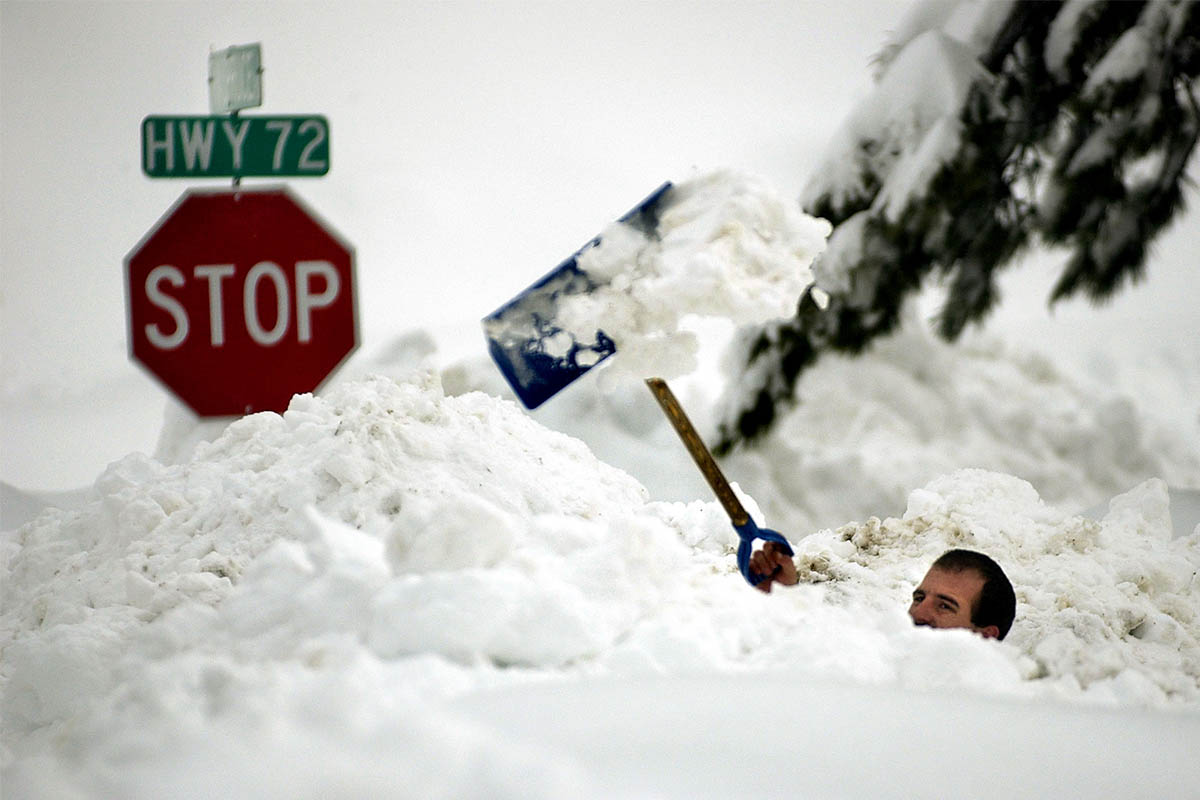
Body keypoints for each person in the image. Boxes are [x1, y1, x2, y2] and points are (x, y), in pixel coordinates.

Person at [749, 543, 1016, 640]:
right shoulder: (879, 654)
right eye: (919, 598)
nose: (918, 613)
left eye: (945, 606)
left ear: (985, 636)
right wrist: (781, 595)